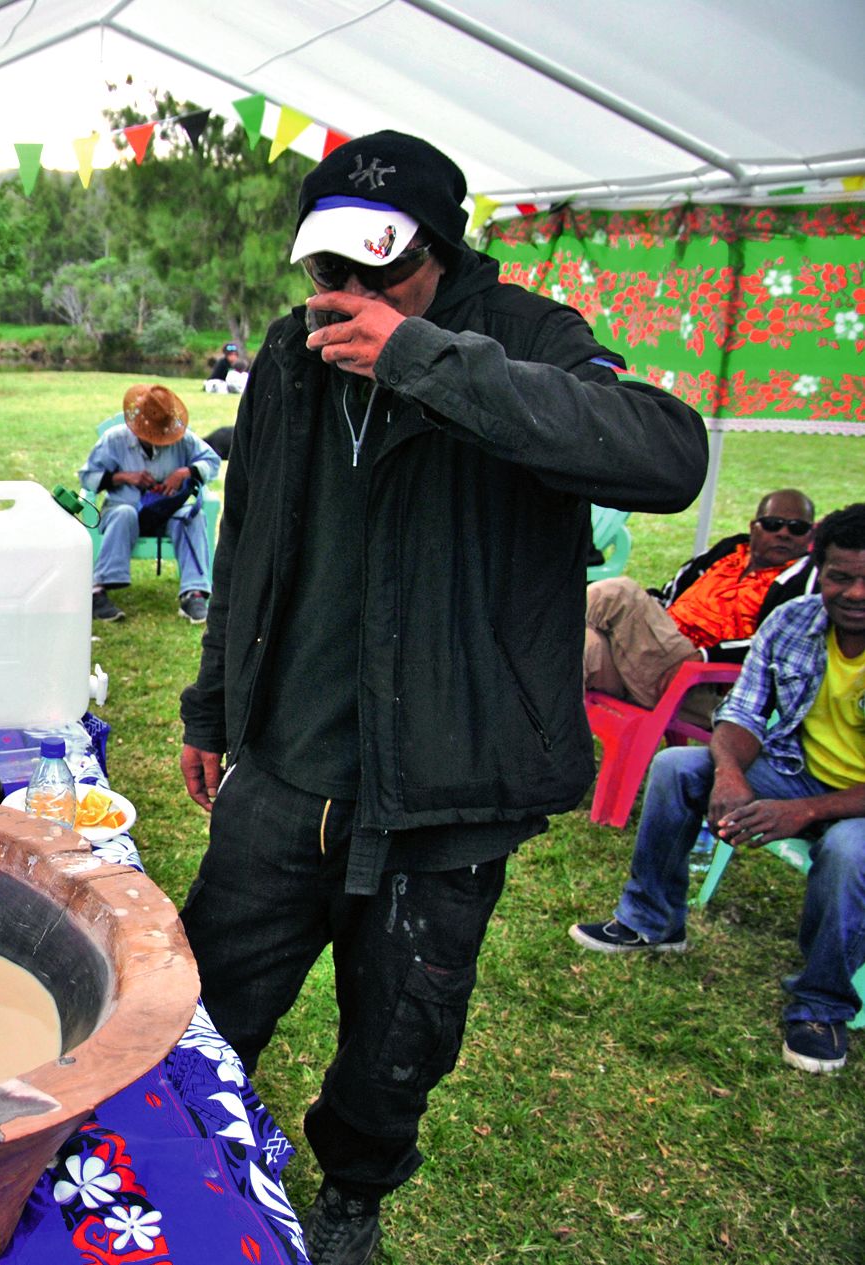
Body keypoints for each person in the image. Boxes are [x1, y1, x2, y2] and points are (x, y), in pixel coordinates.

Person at [174, 131, 706, 1263]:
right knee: (200, 1005)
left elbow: (667, 458)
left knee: (400, 1035)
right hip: (287, 768)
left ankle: (353, 1192)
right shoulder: (286, 351)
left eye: (383, 273)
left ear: (444, 252)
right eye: (331, 273)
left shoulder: (523, 337)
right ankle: (184, 1165)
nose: (351, 299)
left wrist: (423, 356)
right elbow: (250, 529)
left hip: (446, 784)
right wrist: (212, 707)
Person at [570, 503, 865, 1076]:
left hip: (852, 802)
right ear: (820, 572)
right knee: (680, 767)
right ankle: (653, 920)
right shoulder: (795, 622)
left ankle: (821, 1005)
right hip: (797, 770)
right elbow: (745, 711)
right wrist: (730, 774)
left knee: (849, 852)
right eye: (840, 577)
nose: (854, 593)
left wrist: (797, 810)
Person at [586, 489, 817, 722]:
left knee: (618, 592)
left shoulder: (803, 579)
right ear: (754, 527)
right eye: (773, 524)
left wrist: (704, 657)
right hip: (653, 661)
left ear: (810, 535)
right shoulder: (730, 551)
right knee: (582, 645)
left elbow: (776, 645)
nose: (784, 533)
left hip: (704, 684)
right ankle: (555, 750)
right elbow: (671, 594)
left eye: (797, 528)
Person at [80, 384, 221, 625]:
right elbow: (88, 476)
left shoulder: (183, 439)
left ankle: (194, 594)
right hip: (124, 510)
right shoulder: (114, 439)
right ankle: (98, 590)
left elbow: (212, 461)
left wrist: (185, 472)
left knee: (191, 516)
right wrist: (125, 477)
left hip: (168, 512)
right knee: (124, 513)